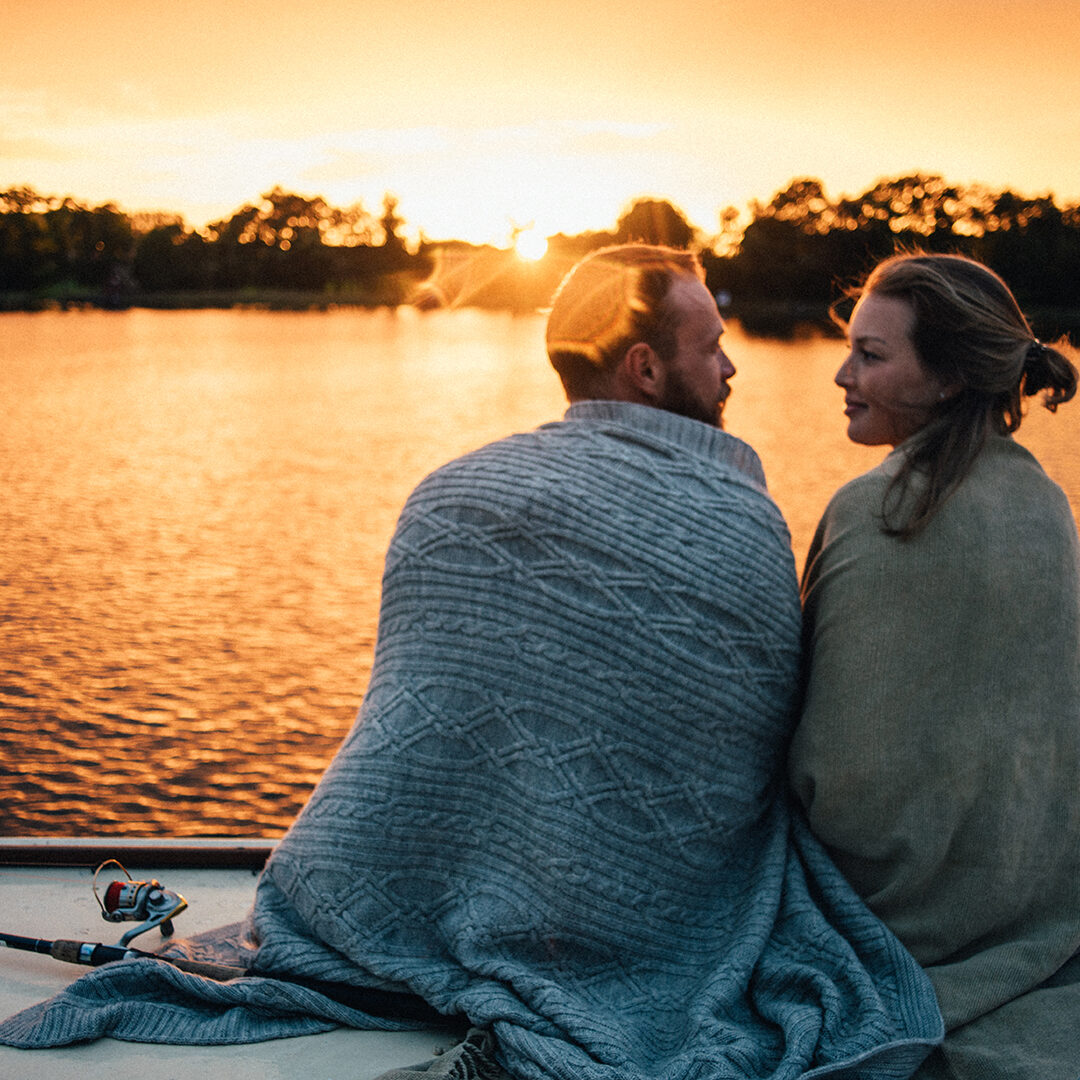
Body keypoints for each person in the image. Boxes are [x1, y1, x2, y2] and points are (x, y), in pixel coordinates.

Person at [0, 245, 942, 1078]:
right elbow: (762, 748)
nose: (733, 365)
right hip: (650, 933)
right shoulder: (740, 523)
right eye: (711, 345)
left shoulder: (448, 492)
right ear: (646, 368)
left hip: (389, 905)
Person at [788, 251, 1080, 1080]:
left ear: (949, 378)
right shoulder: (1047, 504)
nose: (843, 374)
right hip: (1029, 895)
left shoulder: (870, 508)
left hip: (881, 911)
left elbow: (834, 768)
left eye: (872, 355)